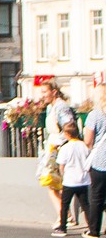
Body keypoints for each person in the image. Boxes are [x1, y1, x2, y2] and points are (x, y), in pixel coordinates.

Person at [37, 80, 76, 228]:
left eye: (45, 92)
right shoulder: (50, 107)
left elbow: (69, 126)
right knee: (53, 184)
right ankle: (66, 215)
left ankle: (64, 216)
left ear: (54, 92)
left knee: (53, 184)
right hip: (53, 148)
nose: (43, 95)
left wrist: (59, 143)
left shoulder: (61, 107)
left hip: (59, 148)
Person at [53, 121, 91, 237]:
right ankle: (92, 226)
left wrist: (63, 175)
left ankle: (63, 227)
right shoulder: (84, 146)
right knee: (86, 205)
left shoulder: (65, 148)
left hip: (69, 181)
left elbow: (61, 165)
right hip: (83, 180)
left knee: (64, 205)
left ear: (67, 134)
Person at [82, 84, 106, 238]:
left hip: (100, 160)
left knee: (97, 196)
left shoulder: (95, 115)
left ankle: (94, 230)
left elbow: (88, 140)